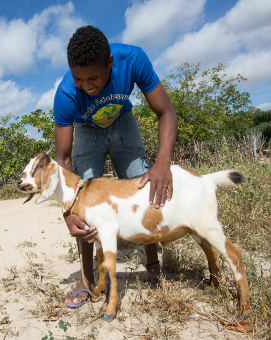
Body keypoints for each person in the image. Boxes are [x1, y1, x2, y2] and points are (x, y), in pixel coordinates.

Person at [53, 26, 178, 308]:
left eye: (94, 77)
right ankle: (86, 278)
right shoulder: (65, 94)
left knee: (142, 187)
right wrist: (67, 211)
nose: (86, 86)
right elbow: (63, 160)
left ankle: (153, 264)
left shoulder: (133, 60)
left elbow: (166, 112)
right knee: (82, 202)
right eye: (79, 79)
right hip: (87, 129)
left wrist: (161, 164)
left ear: (110, 62)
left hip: (123, 123)